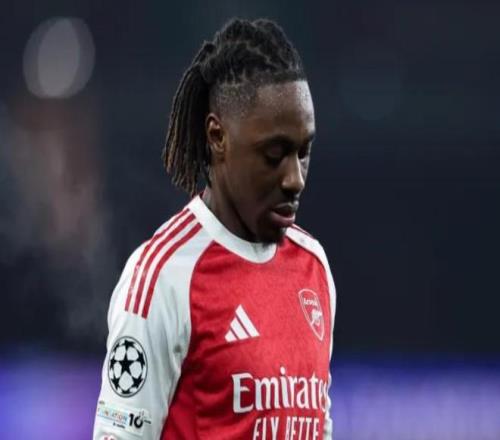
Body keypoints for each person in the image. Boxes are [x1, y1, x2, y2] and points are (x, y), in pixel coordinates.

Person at [93, 17, 336, 440]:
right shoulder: (164, 277)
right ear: (217, 136)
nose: (295, 178)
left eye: (303, 152)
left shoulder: (313, 267)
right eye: (274, 154)